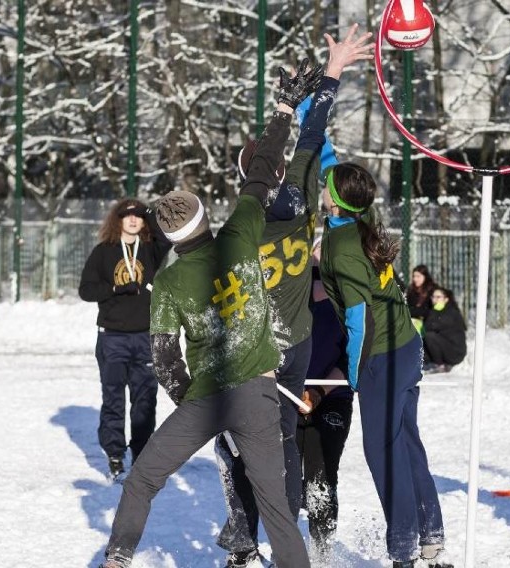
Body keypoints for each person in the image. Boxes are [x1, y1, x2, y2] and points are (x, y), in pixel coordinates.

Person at [98, 60, 324, 568]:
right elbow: (264, 170)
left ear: (168, 237)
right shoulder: (241, 234)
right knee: (276, 509)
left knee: (143, 480)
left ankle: (117, 558)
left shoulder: (169, 281)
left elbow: (164, 358)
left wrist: (193, 402)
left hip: (206, 400)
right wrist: (285, 108)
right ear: (204, 216)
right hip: (260, 397)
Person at [214, 24, 373, 568]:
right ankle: (284, 541)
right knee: (280, 447)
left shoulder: (242, 222)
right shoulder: (304, 192)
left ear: (249, 181)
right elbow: (312, 134)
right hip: (297, 344)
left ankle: (242, 542)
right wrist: (331, 73)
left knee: (236, 445)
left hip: (255, 350)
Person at [319, 162, 452, 568]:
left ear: (337, 200)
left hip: (382, 356)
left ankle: (403, 550)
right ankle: (430, 539)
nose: (320, 186)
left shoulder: (343, 250)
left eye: (326, 185)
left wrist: (357, 376)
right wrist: (312, 111)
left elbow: (361, 319)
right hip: (407, 350)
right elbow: (332, 167)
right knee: (407, 443)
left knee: (384, 453)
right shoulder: (359, 219)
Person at [78, 198, 172, 479]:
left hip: (145, 337)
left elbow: (165, 236)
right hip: (112, 338)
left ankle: (141, 455)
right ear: (116, 220)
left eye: (138, 216)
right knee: (114, 399)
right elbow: (86, 290)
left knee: (146, 400)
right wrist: (116, 287)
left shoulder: (150, 249)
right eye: (127, 215)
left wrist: (152, 210)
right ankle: (115, 455)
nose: (133, 220)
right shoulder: (103, 252)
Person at [296, 241, 354, 561]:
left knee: (319, 475)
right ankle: (288, 550)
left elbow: (350, 361)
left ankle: (321, 555)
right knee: (287, 476)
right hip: (291, 394)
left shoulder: (349, 301)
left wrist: (319, 393)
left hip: (332, 397)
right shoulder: (292, 295)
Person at [422, 287, 466, 373]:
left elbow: (431, 326)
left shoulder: (451, 312)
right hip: (443, 347)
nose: (435, 300)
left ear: (446, 299)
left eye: (438, 297)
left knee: (430, 336)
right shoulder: (436, 311)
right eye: (433, 297)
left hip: (455, 352)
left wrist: (434, 311)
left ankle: (439, 365)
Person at [405, 264, 436, 331]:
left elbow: (430, 311)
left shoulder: (432, 290)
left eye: (418, 276)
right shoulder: (411, 290)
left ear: (425, 277)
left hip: (427, 323)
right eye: (414, 276)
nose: (415, 279)